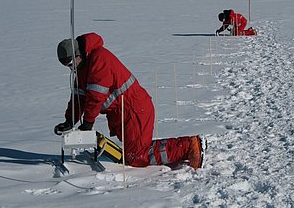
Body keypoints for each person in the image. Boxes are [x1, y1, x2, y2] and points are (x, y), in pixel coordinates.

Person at [54, 32, 205, 169]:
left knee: (137, 156)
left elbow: (95, 96)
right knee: (135, 152)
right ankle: (186, 146)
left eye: (71, 64)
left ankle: (190, 146)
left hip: (134, 110)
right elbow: (78, 97)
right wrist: (70, 120)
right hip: (122, 114)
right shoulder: (82, 67)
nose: (71, 69)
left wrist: (87, 123)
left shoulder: (99, 59)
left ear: (78, 54)